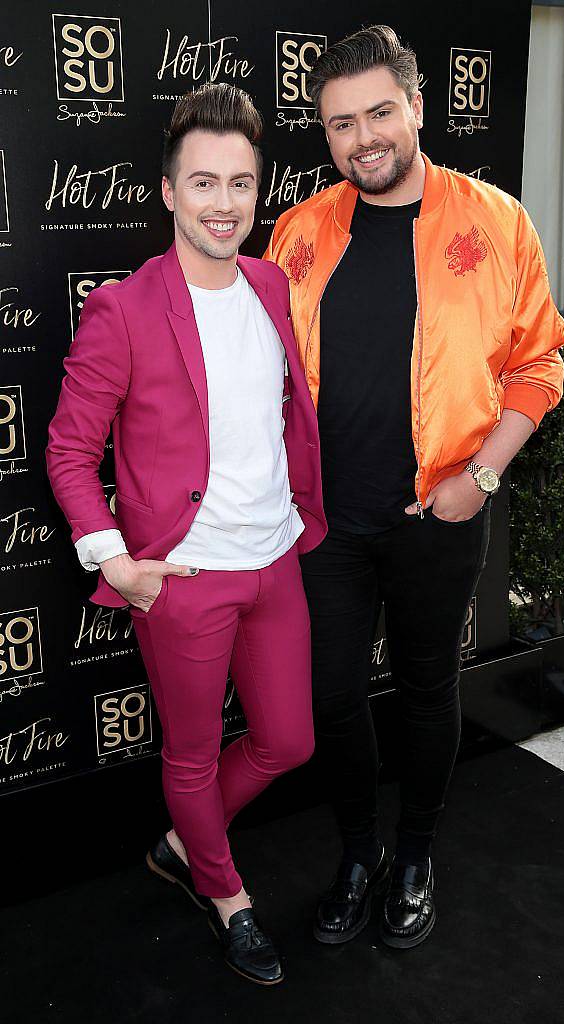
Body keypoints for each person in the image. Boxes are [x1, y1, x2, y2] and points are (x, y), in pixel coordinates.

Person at [265, 24, 564, 949]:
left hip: (441, 513)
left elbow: (541, 363)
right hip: (325, 524)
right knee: (332, 701)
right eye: (341, 123)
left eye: (380, 113)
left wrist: (479, 477)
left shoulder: (498, 219)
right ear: (326, 133)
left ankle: (415, 856)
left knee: (431, 690)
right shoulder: (298, 231)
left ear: (418, 107)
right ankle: (358, 855)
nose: (364, 138)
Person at [46, 82, 326, 985]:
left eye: (241, 184)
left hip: (275, 558)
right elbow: (66, 450)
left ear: (257, 191)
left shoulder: (272, 283)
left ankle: (181, 842)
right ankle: (225, 893)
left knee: (290, 741)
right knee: (193, 754)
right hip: (183, 576)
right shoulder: (124, 310)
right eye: (203, 183)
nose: (224, 204)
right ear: (169, 191)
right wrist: (118, 564)